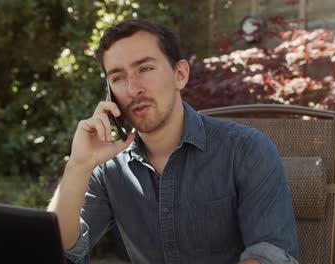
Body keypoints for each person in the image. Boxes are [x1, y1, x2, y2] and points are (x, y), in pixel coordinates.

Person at [47, 18, 299, 264]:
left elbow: (272, 253)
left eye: (145, 69)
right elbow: (55, 251)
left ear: (180, 74)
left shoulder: (246, 149)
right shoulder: (109, 168)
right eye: (118, 78)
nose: (133, 89)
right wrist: (78, 166)